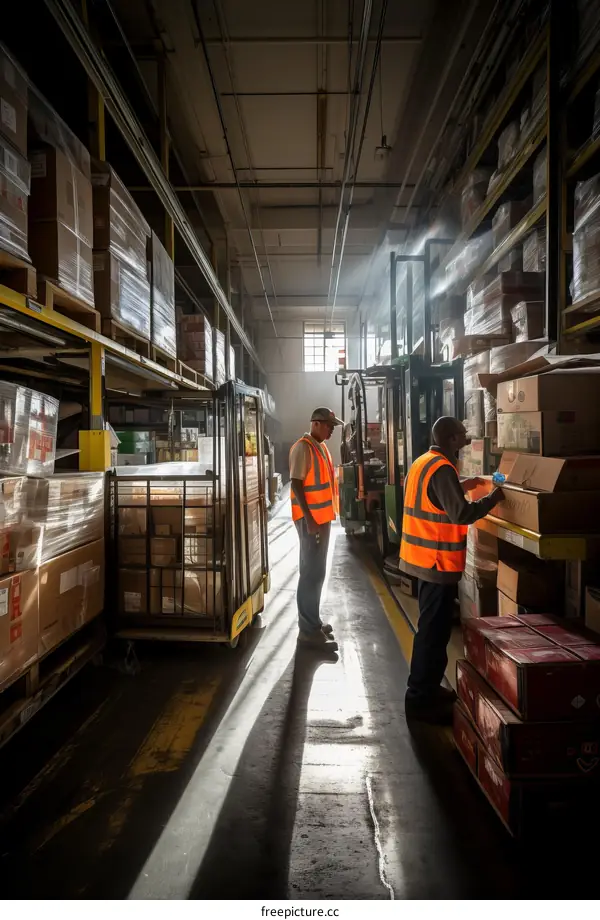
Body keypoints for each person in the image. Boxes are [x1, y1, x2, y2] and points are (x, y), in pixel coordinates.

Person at [399, 416, 504, 722]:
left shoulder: (424, 462)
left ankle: (428, 689)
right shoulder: (443, 468)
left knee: (435, 629)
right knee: (432, 633)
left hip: (421, 559)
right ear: (452, 440)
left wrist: (464, 484)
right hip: (436, 561)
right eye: (462, 435)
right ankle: (419, 697)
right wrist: (492, 498)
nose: (467, 439)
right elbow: (460, 514)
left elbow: (436, 496)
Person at [289, 407, 343, 651]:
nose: (332, 430)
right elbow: (296, 483)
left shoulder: (320, 446)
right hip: (310, 521)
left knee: (318, 572)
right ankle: (307, 631)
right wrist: (309, 519)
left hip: (321, 520)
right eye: (329, 425)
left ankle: (313, 622)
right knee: (310, 573)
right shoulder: (303, 447)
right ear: (316, 423)